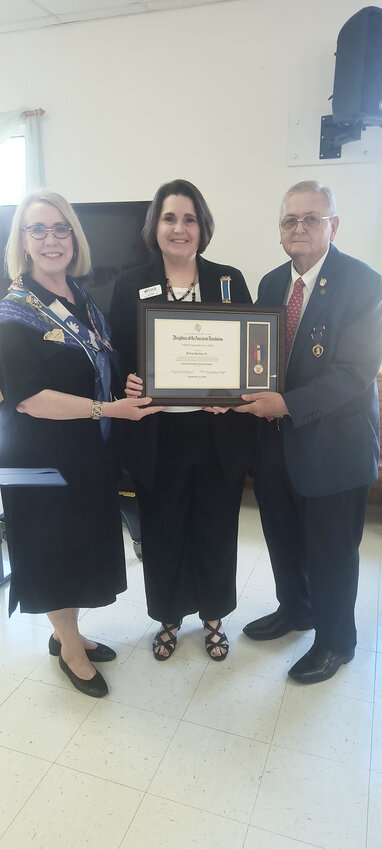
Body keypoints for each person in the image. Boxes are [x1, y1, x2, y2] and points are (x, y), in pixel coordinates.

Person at [0, 190, 161, 698]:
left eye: (60, 228)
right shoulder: (12, 312)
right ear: (22, 242)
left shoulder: (82, 298)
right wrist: (109, 409)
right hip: (37, 462)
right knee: (51, 552)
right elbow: (30, 400)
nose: (51, 239)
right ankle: (68, 646)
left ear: (74, 237)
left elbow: (99, 369)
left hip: (84, 454)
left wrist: (124, 390)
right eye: (38, 230)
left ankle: (67, 632)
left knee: (77, 547)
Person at [236, 180, 382, 684]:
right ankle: (295, 609)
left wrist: (286, 403)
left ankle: (337, 641)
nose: (299, 228)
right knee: (281, 536)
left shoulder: (364, 283)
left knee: (331, 551)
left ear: (332, 226)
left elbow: (355, 370)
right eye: (289, 220)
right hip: (276, 442)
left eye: (311, 218)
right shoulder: (272, 283)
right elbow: (258, 359)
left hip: (334, 448)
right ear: (280, 230)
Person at [110, 179, 257, 661]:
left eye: (189, 218)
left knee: (215, 528)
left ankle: (214, 616)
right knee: (164, 529)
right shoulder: (130, 284)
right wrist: (128, 384)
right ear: (156, 226)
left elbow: (253, 354)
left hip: (217, 433)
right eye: (170, 218)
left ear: (203, 226)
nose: (179, 228)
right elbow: (118, 360)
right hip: (158, 435)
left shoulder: (229, 280)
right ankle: (169, 618)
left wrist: (236, 392)